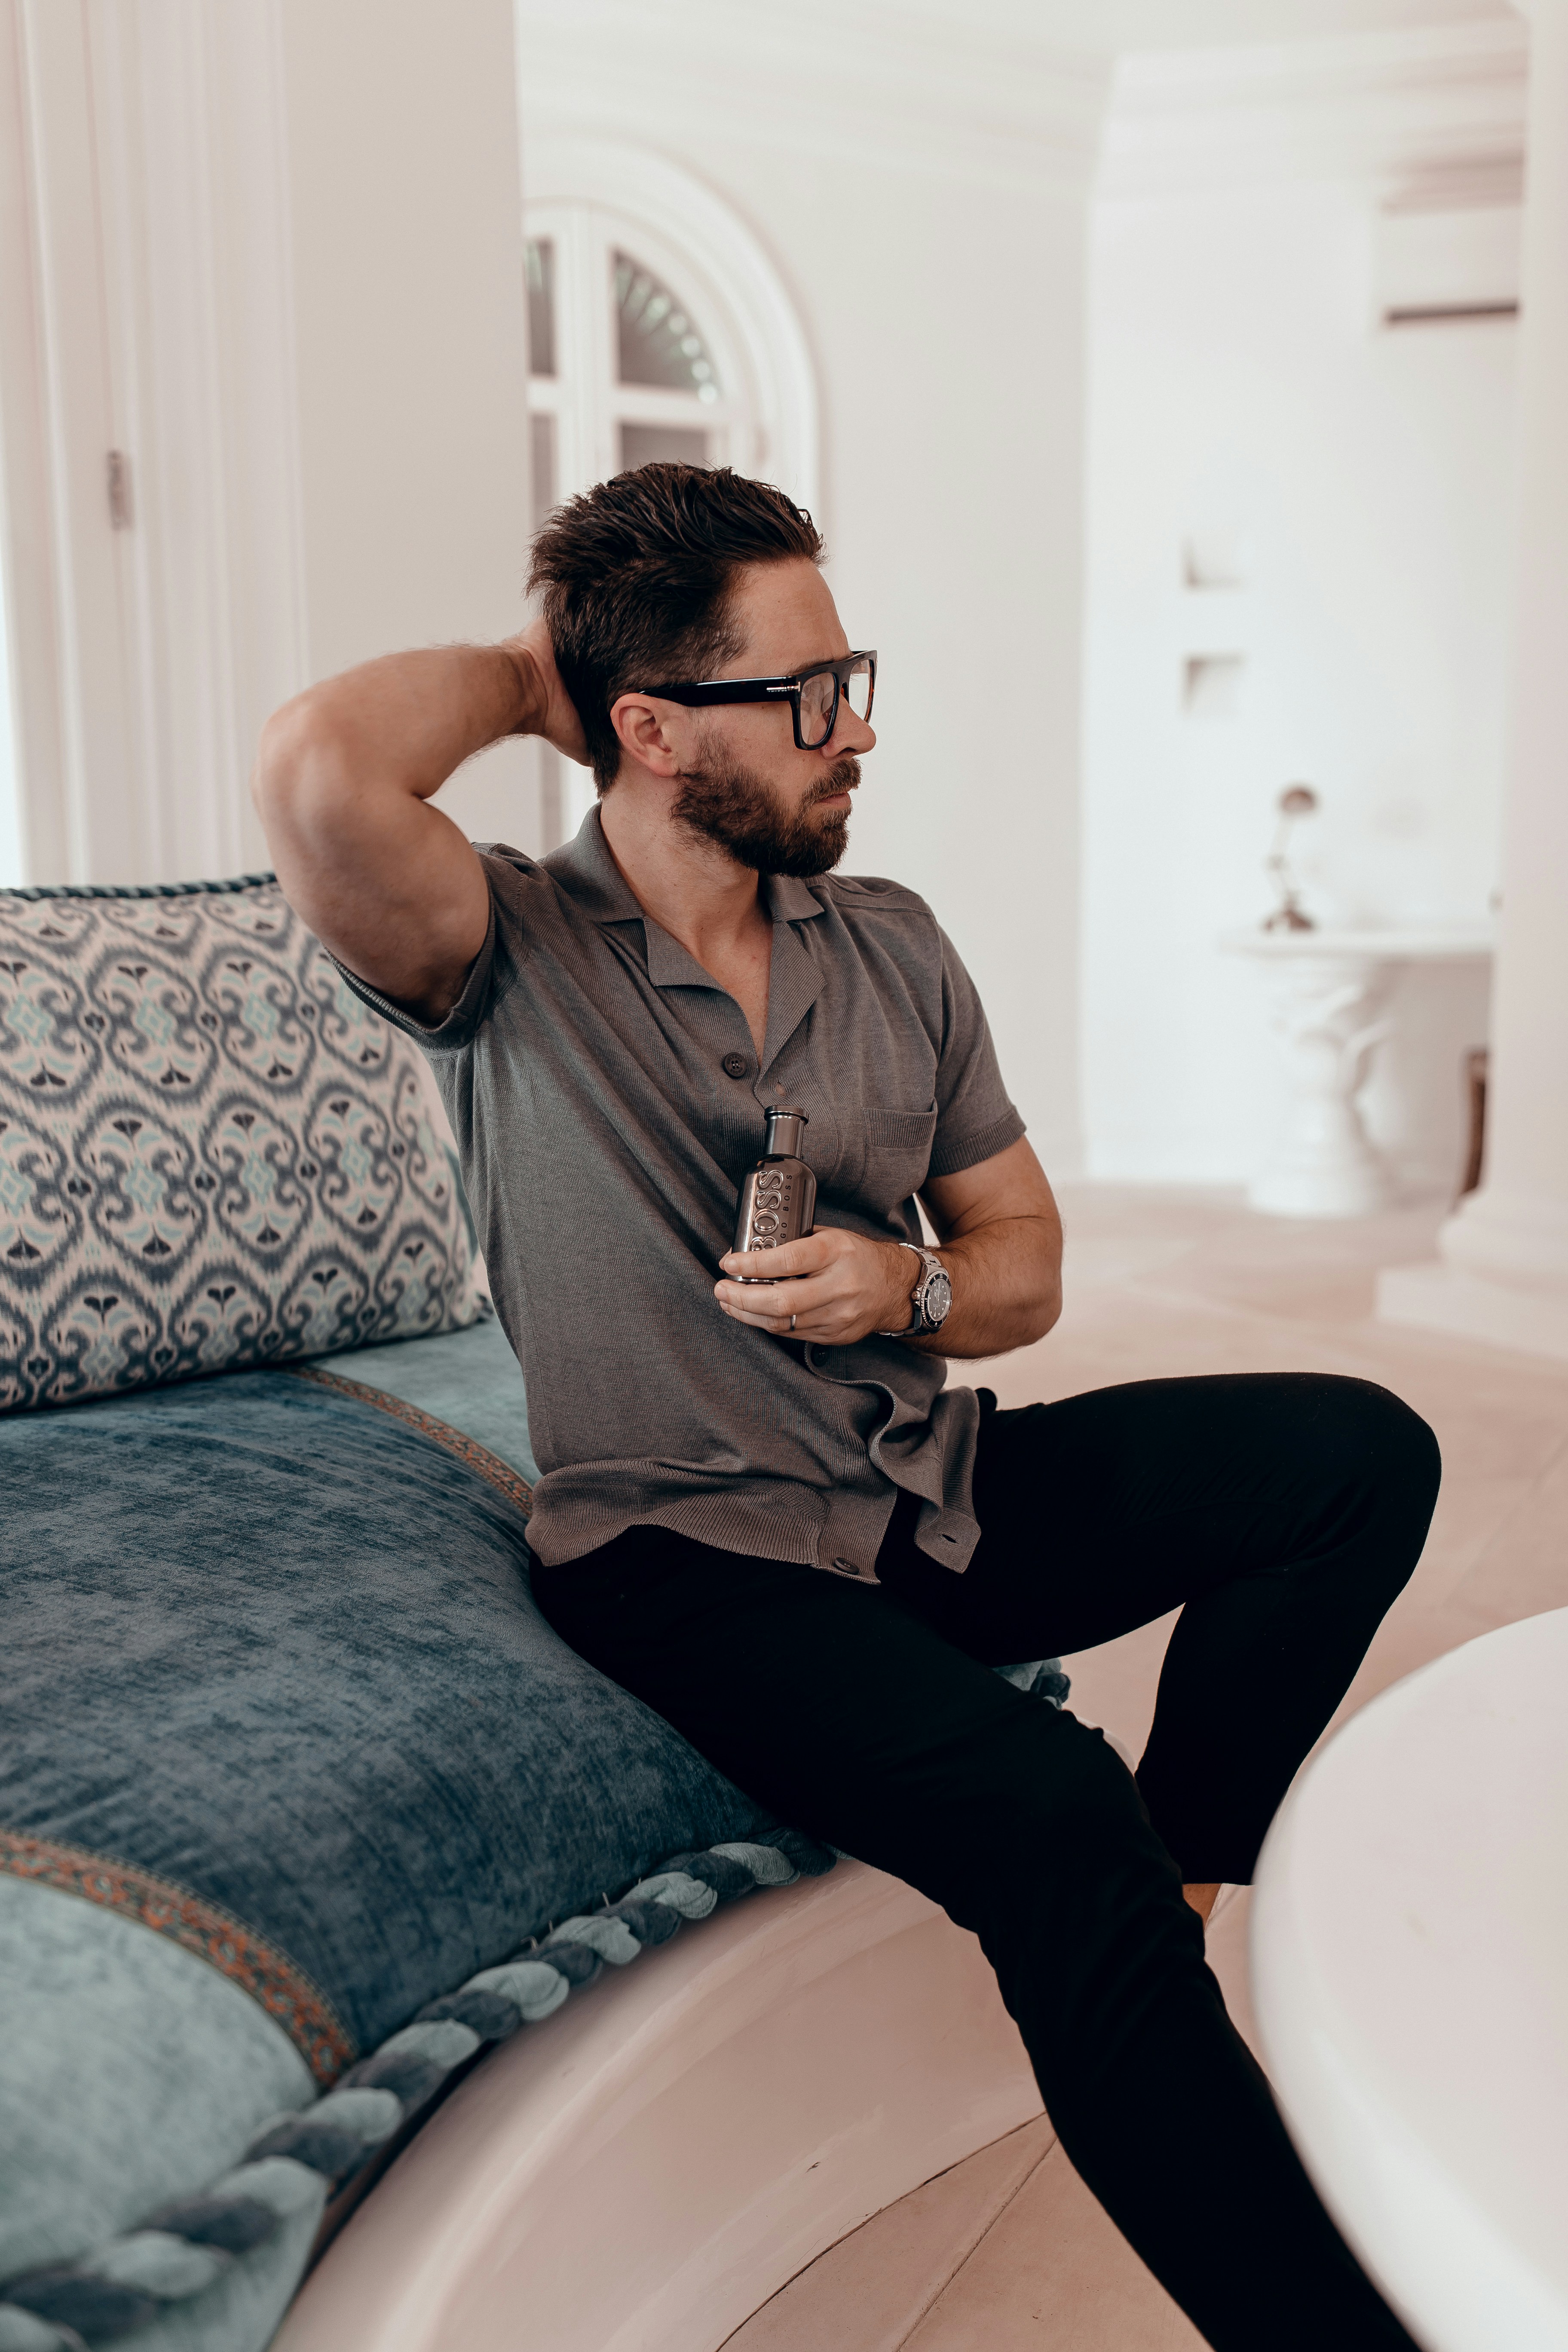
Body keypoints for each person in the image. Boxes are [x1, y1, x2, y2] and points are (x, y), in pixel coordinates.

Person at [254, 462, 1439, 2352]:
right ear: (646, 729)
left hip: (928, 1489)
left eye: (852, 673)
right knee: (1052, 1812)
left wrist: (922, 1290)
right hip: (690, 1556)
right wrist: (527, 662)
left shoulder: (889, 939)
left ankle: (1192, 1878)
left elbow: (1028, 1254)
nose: (858, 724)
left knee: (1360, 1452)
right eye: (809, 692)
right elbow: (320, 764)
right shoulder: (497, 953)